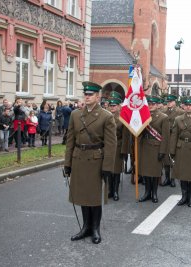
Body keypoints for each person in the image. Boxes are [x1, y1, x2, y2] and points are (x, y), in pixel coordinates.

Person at [64, 81, 116, 244]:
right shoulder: (75, 115)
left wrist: (107, 166)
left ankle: (95, 229)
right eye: (85, 94)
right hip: (79, 159)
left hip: (95, 160)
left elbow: (111, 144)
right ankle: (85, 227)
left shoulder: (106, 116)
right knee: (82, 195)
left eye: (90, 94)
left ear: (98, 96)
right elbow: (70, 140)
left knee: (93, 197)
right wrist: (67, 163)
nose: (87, 97)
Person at [138, 95, 170, 203]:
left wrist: (162, 151)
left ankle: (154, 193)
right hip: (145, 146)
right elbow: (139, 132)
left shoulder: (163, 117)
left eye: (153, 104)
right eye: (149, 104)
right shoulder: (143, 115)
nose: (151, 106)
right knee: (146, 172)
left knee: (155, 172)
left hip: (156, 147)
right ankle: (147, 192)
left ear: (157, 105)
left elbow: (165, 136)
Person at [160, 94, 184, 187]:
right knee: (166, 158)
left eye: (170, 102)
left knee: (173, 158)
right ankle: (167, 178)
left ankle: (173, 178)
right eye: (168, 102)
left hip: (174, 136)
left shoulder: (180, 112)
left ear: (175, 102)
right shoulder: (163, 111)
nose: (169, 103)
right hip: (165, 137)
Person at [107, 91, 124, 201]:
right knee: (109, 170)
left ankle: (116, 191)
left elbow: (125, 136)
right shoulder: (105, 117)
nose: (112, 107)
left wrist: (124, 150)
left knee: (116, 171)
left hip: (118, 147)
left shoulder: (122, 118)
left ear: (118, 106)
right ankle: (110, 190)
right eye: (110, 105)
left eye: (114, 105)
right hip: (108, 147)